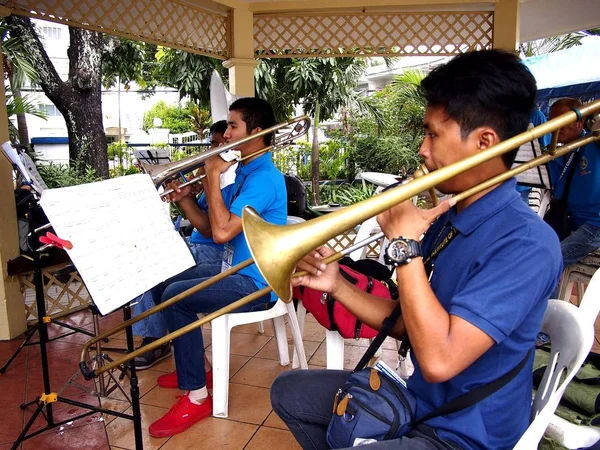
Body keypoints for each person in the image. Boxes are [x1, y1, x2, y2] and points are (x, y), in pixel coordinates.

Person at [270, 49, 563, 450]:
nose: (423, 150)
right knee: (290, 391)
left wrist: (406, 249)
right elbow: (412, 324)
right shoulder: (450, 217)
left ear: (484, 142)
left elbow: (439, 360)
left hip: (466, 436)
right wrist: (337, 285)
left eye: (433, 134)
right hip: (418, 403)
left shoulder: (527, 244)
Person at [148, 97, 288, 438]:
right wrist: (184, 198)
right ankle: (201, 369)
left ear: (256, 132)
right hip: (230, 270)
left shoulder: (264, 179)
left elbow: (223, 230)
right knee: (159, 281)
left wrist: (210, 173)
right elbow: (211, 229)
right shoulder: (243, 172)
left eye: (232, 126)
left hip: (256, 282)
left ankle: (196, 397)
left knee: (177, 298)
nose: (225, 134)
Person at [131, 120, 228, 370]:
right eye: (211, 144)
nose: (210, 151)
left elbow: (209, 228)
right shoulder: (214, 176)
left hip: (216, 253)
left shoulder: (228, 180)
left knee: (157, 270)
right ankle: (159, 336)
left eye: (217, 144)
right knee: (144, 254)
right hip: (198, 244)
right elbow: (198, 220)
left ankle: (156, 338)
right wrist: (186, 196)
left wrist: (192, 195)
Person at [547, 98, 600, 291]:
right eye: (551, 121)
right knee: (535, 251)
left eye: (561, 121)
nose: (555, 127)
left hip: (595, 225)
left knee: (549, 261)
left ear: (579, 122)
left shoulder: (594, 142)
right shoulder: (558, 151)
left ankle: (547, 316)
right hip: (569, 220)